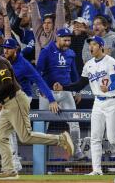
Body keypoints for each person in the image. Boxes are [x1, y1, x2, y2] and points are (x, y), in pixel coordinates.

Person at [0, 40, 74, 179]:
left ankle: (61, 139)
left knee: (25, 136)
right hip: (8, 102)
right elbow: (2, 85)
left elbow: (10, 84)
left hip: (16, 101)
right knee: (0, 135)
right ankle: (9, 169)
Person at [53, 36, 115, 176]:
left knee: (113, 137)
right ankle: (96, 170)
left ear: (101, 46)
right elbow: (79, 84)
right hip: (98, 102)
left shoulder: (110, 62)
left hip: (113, 101)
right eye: (90, 44)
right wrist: (63, 87)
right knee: (95, 138)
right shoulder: (89, 64)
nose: (91, 46)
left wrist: (108, 88)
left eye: (94, 44)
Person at [37, 28, 84, 160]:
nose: (67, 43)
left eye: (69, 40)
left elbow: (74, 73)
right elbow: (38, 72)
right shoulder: (46, 51)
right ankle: (40, 153)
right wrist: (45, 88)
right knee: (42, 124)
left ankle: (77, 149)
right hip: (48, 93)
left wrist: (77, 90)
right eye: (65, 40)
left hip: (65, 92)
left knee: (74, 121)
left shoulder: (71, 53)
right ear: (57, 38)